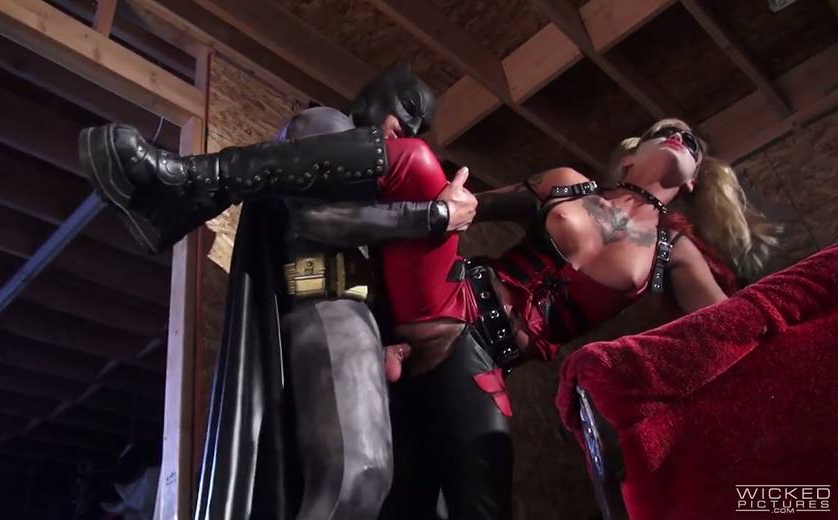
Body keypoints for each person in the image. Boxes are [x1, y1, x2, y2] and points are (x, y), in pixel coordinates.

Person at [78, 116, 776, 518]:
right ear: (631, 152)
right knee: (415, 161)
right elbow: (464, 203)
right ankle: (192, 183)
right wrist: (419, 178)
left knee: (477, 500)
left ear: (692, 178)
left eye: (692, 143)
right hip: (446, 294)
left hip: (488, 357)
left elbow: (736, 333)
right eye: (667, 130)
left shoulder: (675, 251)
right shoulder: (569, 184)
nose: (680, 136)